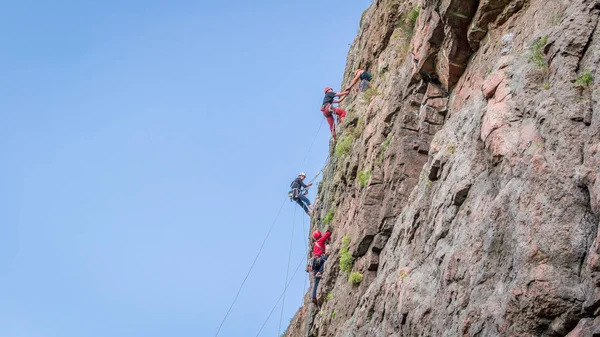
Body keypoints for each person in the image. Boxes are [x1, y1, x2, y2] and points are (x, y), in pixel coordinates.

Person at [311, 229, 332, 304]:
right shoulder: (320, 240)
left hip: (314, 262)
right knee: (327, 259)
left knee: (316, 280)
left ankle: (313, 297)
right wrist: (329, 230)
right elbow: (328, 234)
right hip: (319, 260)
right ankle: (320, 271)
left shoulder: (315, 244)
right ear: (319, 235)